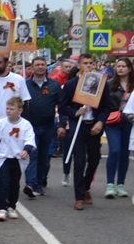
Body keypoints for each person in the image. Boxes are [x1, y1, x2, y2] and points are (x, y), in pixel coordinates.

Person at [60, 54, 110, 210]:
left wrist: (101, 121)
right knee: (79, 161)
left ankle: (85, 186)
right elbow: (62, 107)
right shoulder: (71, 85)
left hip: (93, 126)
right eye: (85, 63)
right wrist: (75, 112)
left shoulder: (101, 84)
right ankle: (79, 197)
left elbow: (106, 107)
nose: (88, 66)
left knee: (94, 159)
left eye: (90, 63)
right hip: (78, 126)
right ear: (79, 65)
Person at [0, 57, 30, 208]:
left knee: (11, 164)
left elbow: (25, 102)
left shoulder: (18, 80)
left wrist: (22, 125)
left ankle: (9, 196)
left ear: (7, 63)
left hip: (12, 129)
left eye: (0, 63)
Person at [0, 95, 35, 222]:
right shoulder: (1, 123)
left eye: (12, 109)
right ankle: (2, 208)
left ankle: (11, 207)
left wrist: (26, 150)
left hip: (18, 158)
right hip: (3, 157)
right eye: (7, 108)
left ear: (20, 110)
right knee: (3, 182)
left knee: (14, 184)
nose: (8, 111)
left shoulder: (26, 125)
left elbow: (30, 139)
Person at [23, 57, 60, 197]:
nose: (40, 67)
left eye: (42, 65)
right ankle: (31, 184)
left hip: (48, 126)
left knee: (44, 157)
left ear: (46, 67)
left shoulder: (54, 85)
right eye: (37, 65)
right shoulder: (24, 85)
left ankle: (40, 181)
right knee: (32, 154)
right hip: (30, 126)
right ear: (32, 68)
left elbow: (60, 105)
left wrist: (62, 124)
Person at [104, 57, 132, 198]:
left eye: (123, 66)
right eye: (118, 66)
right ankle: (110, 184)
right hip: (112, 121)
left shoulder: (132, 86)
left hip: (130, 122)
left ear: (129, 68)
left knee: (124, 153)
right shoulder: (109, 84)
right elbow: (103, 103)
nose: (120, 68)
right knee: (114, 150)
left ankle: (120, 184)